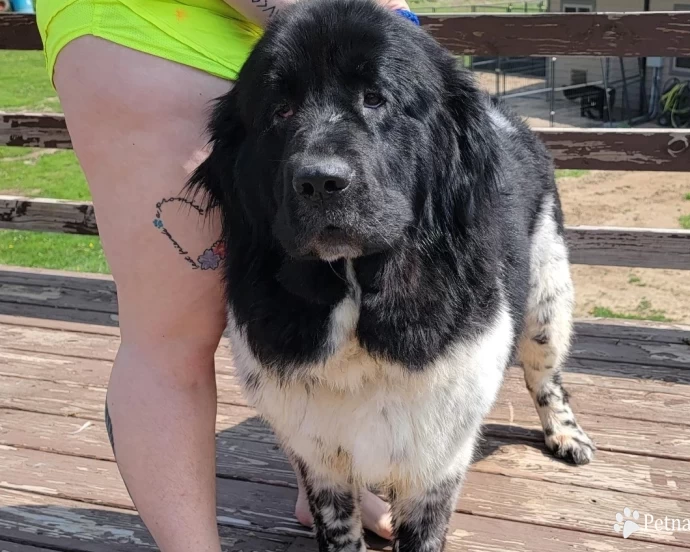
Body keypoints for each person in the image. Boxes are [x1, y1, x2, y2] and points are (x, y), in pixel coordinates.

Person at [36, 1, 410, 550]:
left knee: (300, 298)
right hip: (155, 27)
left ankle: (325, 484)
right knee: (172, 335)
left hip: (282, 38)